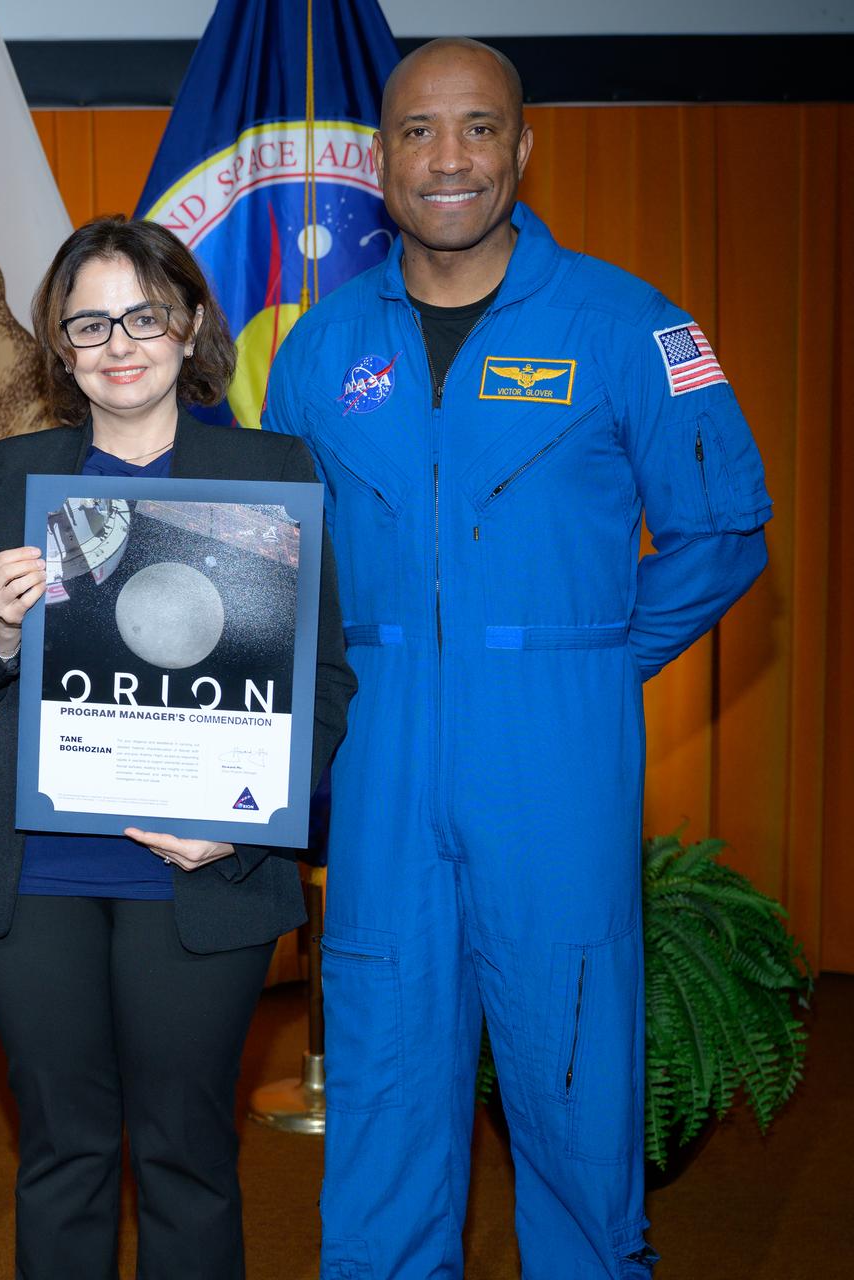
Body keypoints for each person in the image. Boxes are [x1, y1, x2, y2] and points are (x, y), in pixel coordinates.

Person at [263, 38, 772, 1279]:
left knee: (571, 1071)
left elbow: (723, 533)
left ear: (523, 147)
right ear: (379, 159)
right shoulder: (320, 349)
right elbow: (280, 561)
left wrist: (589, 661)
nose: (449, 159)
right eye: (418, 131)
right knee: (383, 1065)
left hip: (555, 759)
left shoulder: (630, 324)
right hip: (380, 756)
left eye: (479, 128)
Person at [0, 216, 356, 1279]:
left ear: (190, 323)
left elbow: (325, 681)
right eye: (89, 324)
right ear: (60, 345)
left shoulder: (268, 467)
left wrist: (245, 823)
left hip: (202, 870)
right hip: (38, 871)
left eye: (144, 316)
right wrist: (4, 629)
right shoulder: (12, 473)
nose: (118, 344)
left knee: (186, 1154)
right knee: (62, 1152)